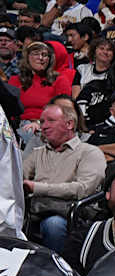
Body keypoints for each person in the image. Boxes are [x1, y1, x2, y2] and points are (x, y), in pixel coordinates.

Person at [21, 102, 104, 252]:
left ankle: (58, 272)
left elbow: (83, 189)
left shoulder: (89, 152)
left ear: (69, 124)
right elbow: (19, 177)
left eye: (50, 121)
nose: (44, 126)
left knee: (53, 224)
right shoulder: (38, 152)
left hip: (73, 214)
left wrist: (36, 187)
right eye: (42, 122)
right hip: (37, 210)